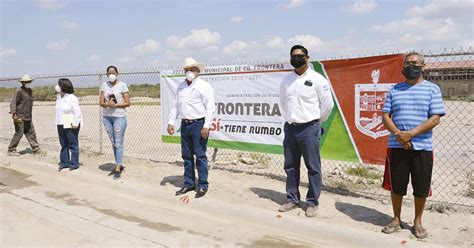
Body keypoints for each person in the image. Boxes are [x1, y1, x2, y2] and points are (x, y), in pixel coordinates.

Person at [381, 51, 445, 239]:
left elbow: (435, 119)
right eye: (407, 63)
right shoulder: (394, 89)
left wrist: (411, 134)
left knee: (421, 186)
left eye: (415, 63)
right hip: (397, 146)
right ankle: (396, 219)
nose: (411, 66)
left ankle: (417, 222)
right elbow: (386, 116)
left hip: (422, 147)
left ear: (423, 66)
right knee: (397, 186)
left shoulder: (432, 89)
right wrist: (399, 135)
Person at [278, 45, 334, 217]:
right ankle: (292, 199)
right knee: (290, 166)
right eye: (293, 56)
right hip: (291, 128)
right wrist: (290, 119)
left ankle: (312, 202)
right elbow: (282, 103)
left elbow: (327, 105)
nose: (296, 58)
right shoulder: (286, 80)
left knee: (313, 167)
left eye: (300, 56)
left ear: (307, 58)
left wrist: (316, 122)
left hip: (309, 128)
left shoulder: (318, 80)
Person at [168, 57, 215, 198]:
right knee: (187, 156)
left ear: (198, 71)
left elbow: (210, 108)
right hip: (185, 124)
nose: (189, 72)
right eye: (187, 70)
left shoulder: (204, 86)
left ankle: (202, 185)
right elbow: (176, 106)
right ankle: (189, 183)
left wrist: (206, 126)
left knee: (200, 156)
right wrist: (171, 122)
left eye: (192, 69)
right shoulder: (180, 86)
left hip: (198, 124)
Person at [99, 66, 130, 179]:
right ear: (106, 74)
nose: (111, 74)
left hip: (119, 117)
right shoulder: (104, 85)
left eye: (113, 72)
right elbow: (101, 102)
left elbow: (127, 103)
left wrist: (115, 105)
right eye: (109, 73)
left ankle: (118, 166)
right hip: (107, 117)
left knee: (118, 142)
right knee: (113, 142)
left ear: (117, 73)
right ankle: (118, 164)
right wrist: (107, 104)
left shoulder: (122, 85)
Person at [8, 74, 41, 156]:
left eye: (29, 81)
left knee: (31, 132)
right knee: (19, 133)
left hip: (28, 116)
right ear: (23, 82)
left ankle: (36, 148)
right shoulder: (19, 91)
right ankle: (11, 150)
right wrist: (14, 114)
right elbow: (13, 103)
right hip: (20, 116)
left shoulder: (30, 91)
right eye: (27, 82)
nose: (28, 83)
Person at [55, 78, 82, 171]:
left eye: (59, 84)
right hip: (60, 121)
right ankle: (64, 162)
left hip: (69, 120)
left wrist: (75, 123)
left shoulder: (72, 98)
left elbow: (77, 112)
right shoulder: (58, 97)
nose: (57, 86)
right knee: (63, 143)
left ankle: (74, 163)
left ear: (64, 86)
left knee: (72, 143)